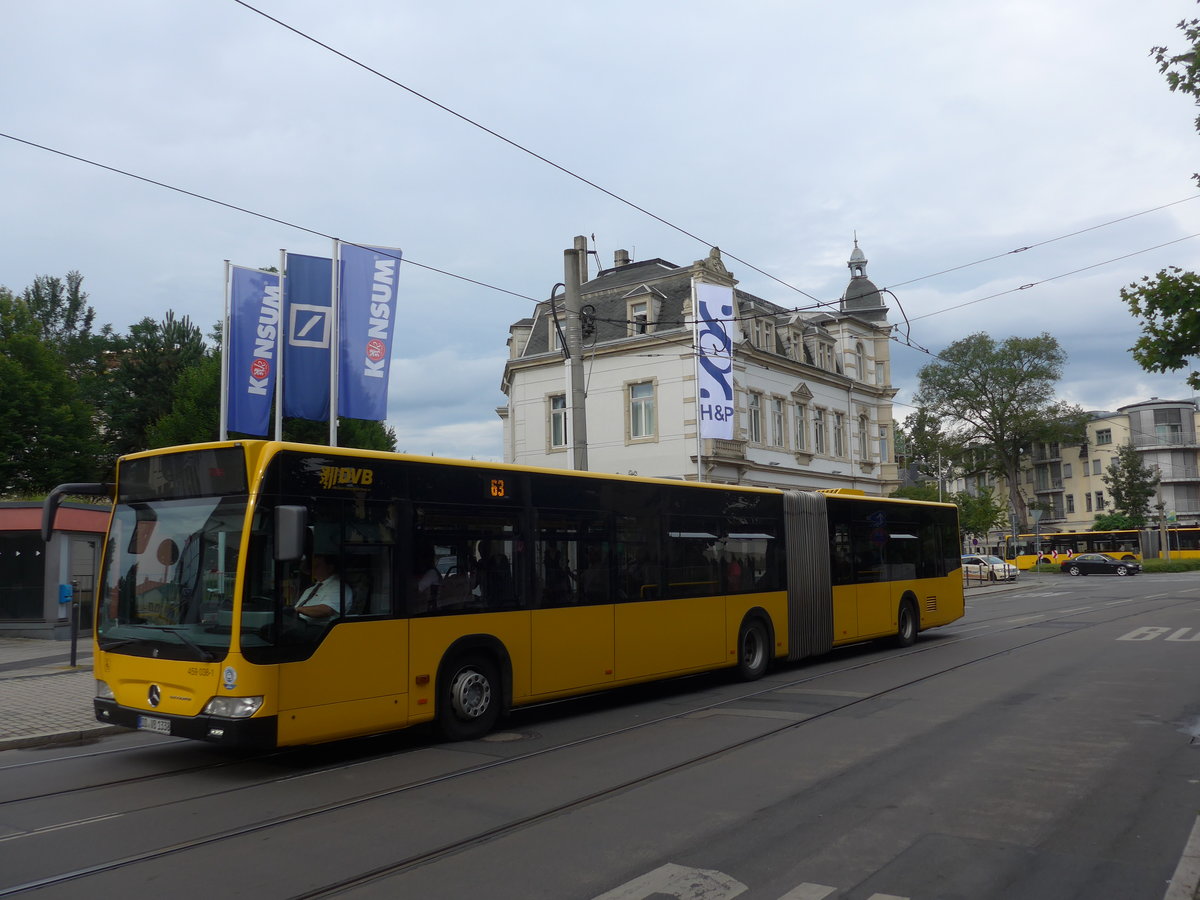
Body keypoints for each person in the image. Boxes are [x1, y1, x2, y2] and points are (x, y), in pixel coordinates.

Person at [291, 553, 342, 624]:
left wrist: (298, 610)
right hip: (298, 623)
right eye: (313, 566)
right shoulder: (311, 588)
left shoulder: (338, 587)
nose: (313, 569)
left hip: (318, 628)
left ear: (330, 568)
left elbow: (326, 610)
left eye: (317, 566)